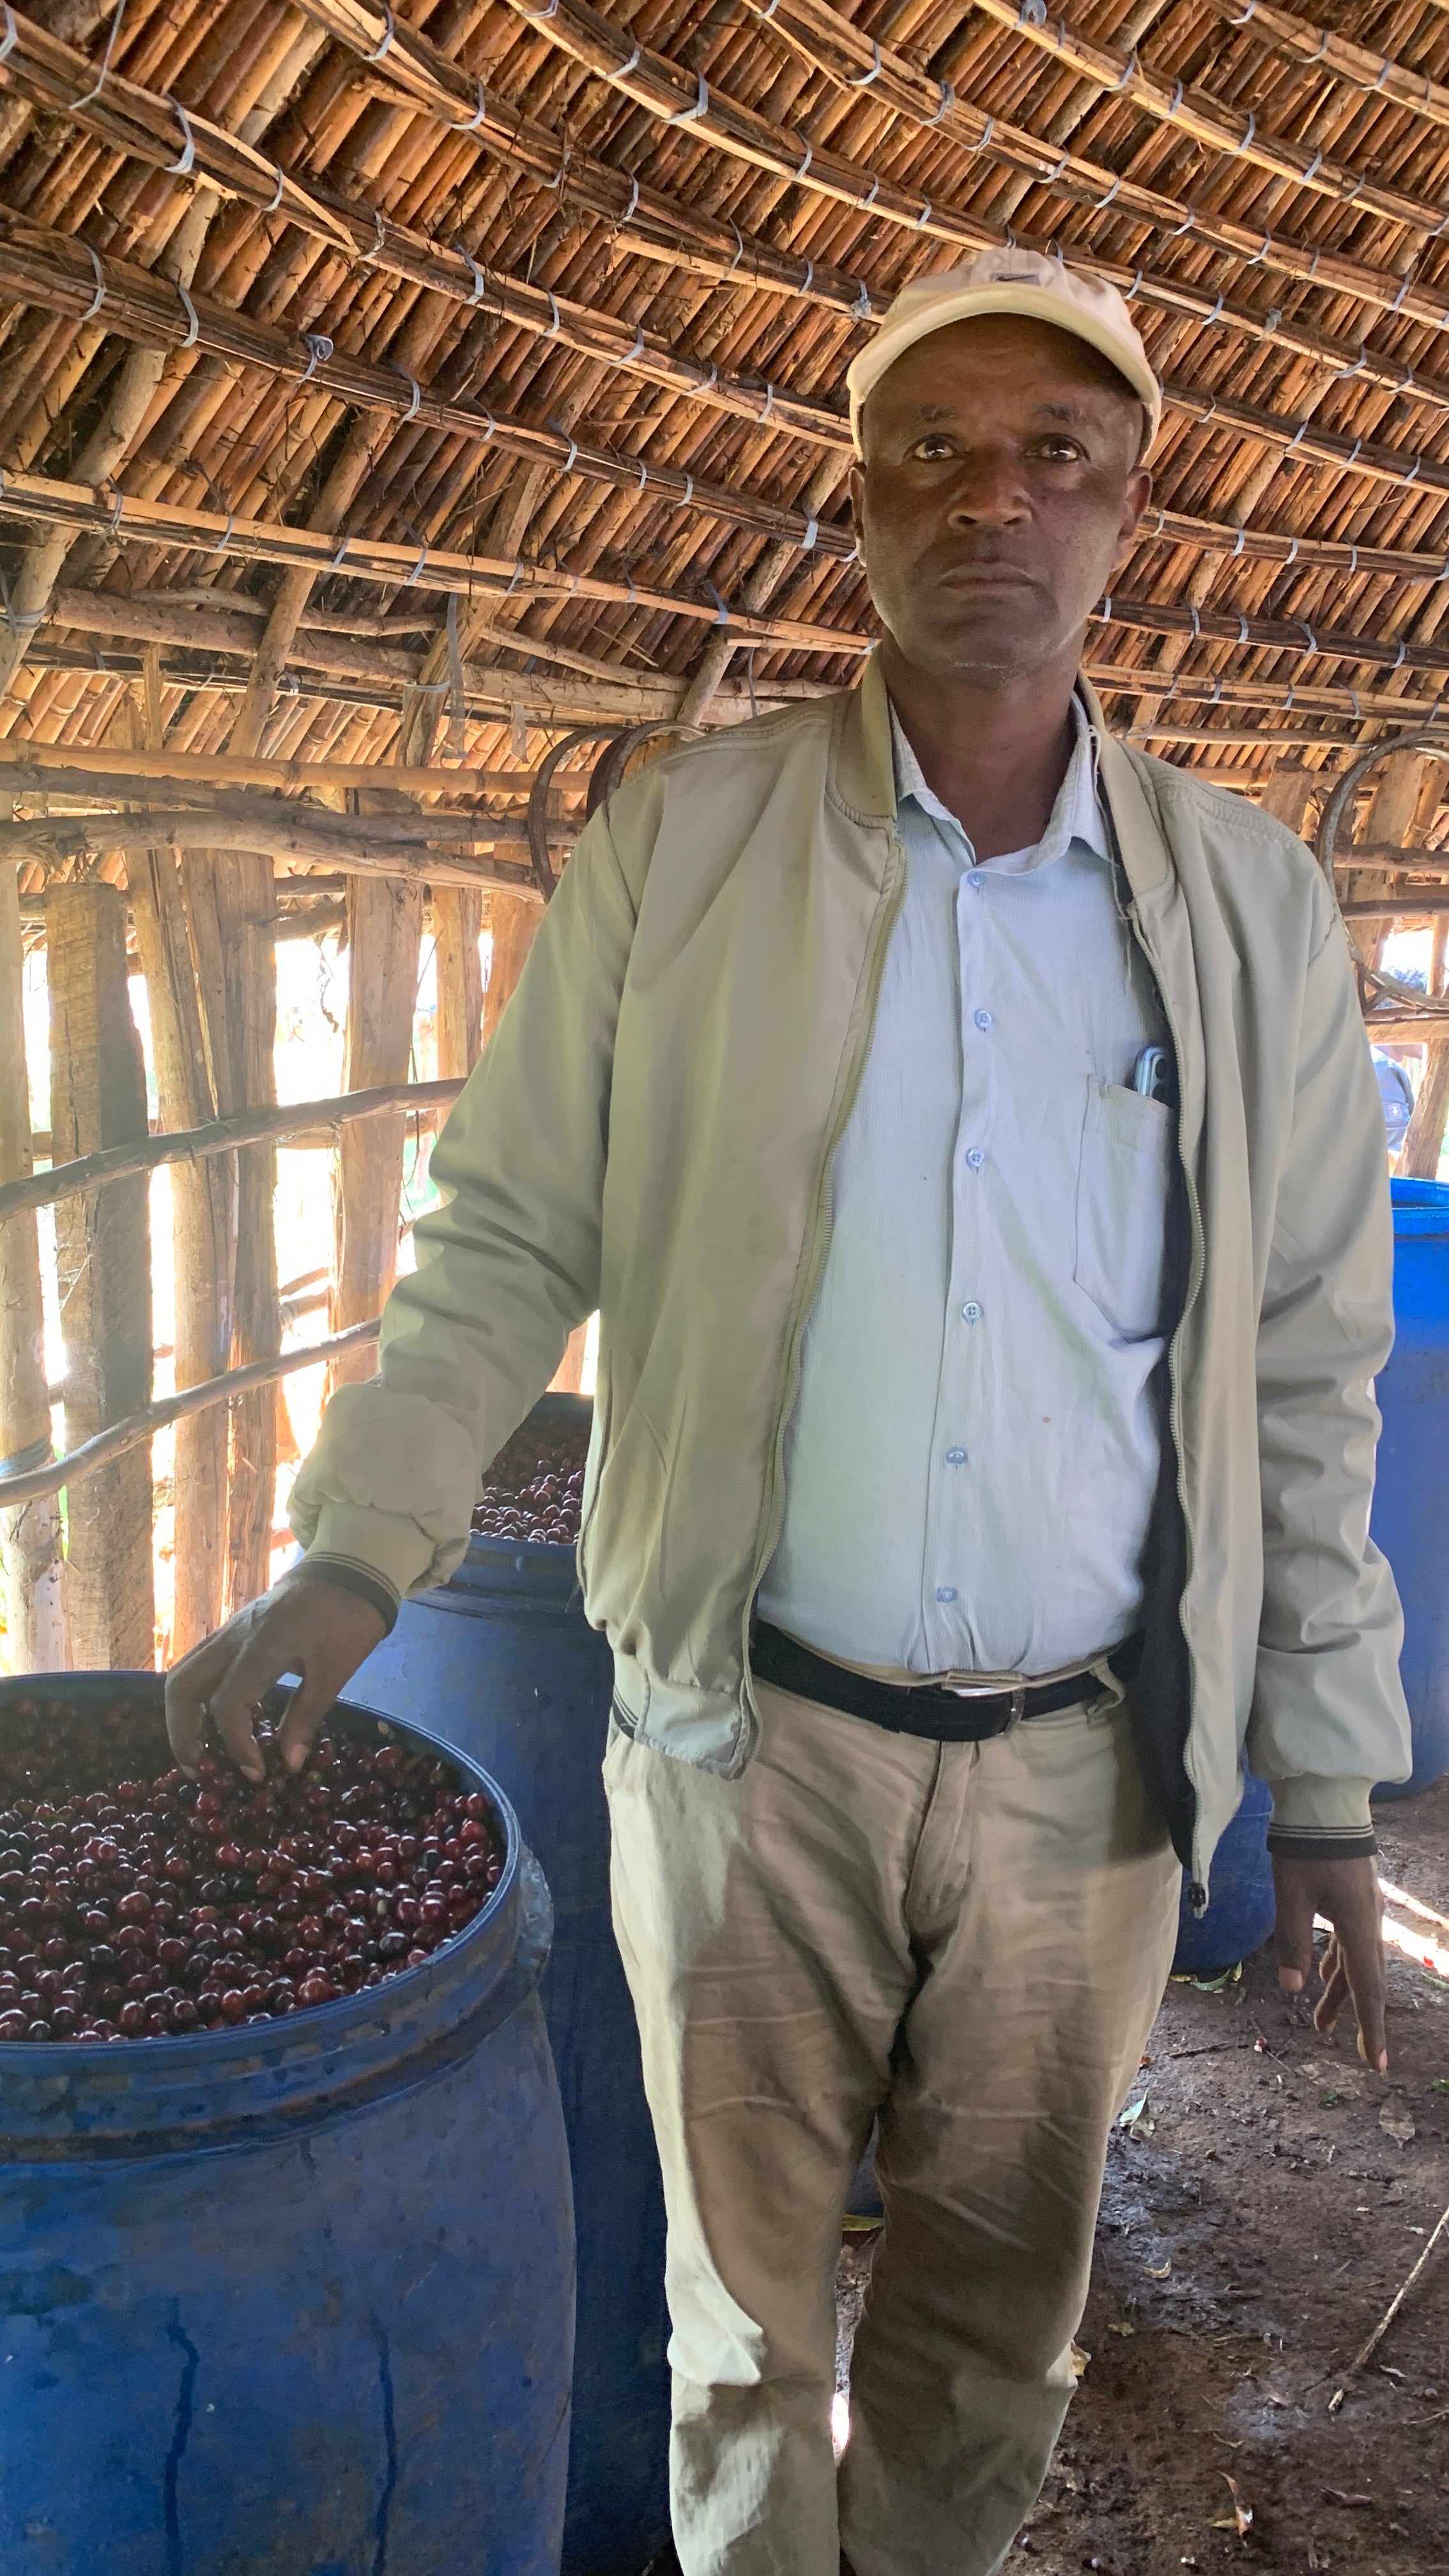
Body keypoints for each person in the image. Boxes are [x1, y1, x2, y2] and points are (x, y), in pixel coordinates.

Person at [167, 251, 1412, 2576]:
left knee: (992, 2327)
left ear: (1130, 512)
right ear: (853, 509)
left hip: (1089, 1778)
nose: (993, 502)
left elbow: (1302, 1368)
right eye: (930, 451)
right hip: (750, 1747)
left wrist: (1324, 1779)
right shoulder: (685, 848)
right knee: (744, 2336)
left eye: (1056, 454)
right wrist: (357, 1552)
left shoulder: (1243, 909)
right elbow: (506, 1239)